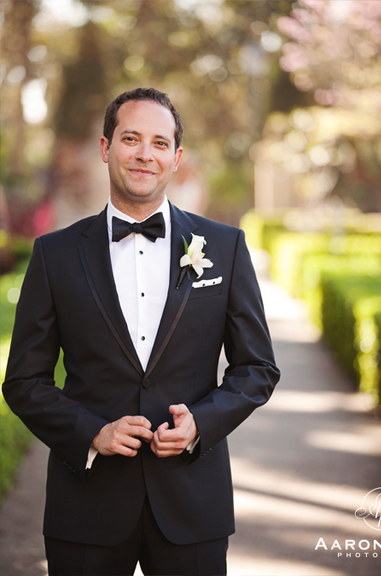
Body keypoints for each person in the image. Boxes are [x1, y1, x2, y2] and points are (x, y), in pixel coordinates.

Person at [2, 87, 280, 575]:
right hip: (85, 505)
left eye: (159, 143)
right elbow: (24, 381)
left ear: (176, 158)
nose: (144, 154)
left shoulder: (226, 247)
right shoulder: (54, 255)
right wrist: (93, 433)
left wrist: (201, 424)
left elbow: (257, 367)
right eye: (131, 139)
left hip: (193, 504)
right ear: (106, 148)